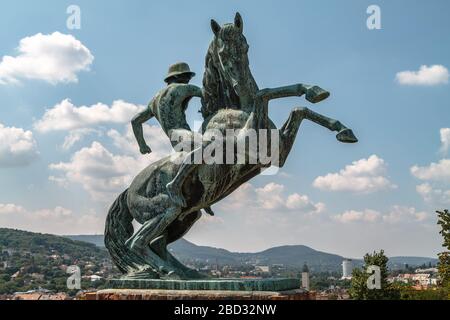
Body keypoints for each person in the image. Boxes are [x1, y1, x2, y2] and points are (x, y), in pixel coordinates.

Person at [131, 62, 214, 215]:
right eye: (186, 76)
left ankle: (202, 196)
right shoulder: (182, 88)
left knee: (203, 161)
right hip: (181, 134)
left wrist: (142, 144)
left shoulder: (154, 100)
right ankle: (175, 185)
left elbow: (135, 121)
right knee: (210, 145)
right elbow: (209, 94)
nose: (188, 79)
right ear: (178, 77)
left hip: (174, 139)